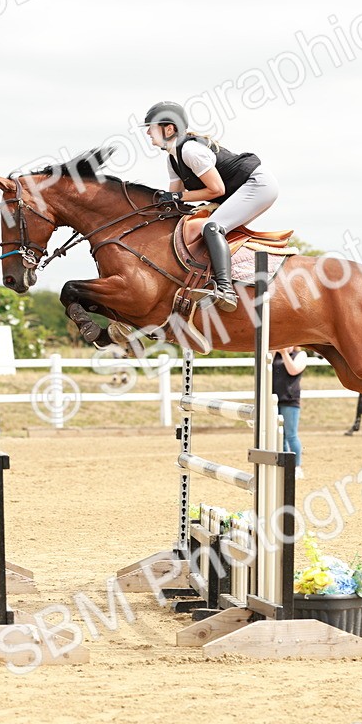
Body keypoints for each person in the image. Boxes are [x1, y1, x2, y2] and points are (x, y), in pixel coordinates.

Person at [142, 100, 280, 312]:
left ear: (169, 128)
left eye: (151, 127)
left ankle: (226, 289)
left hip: (257, 184)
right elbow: (175, 201)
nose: (148, 133)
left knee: (213, 227)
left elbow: (216, 190)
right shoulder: (172, 159)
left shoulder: (190, 151)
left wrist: (177, 196)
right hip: (237, 189)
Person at [272, 346, 308, 479]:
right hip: (274, 400)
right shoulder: (274, 355)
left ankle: (297, 466)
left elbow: (292, 370)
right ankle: (285, 466)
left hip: (290, 400)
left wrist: (284, 353)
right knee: (280, 437)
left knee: (291, 435)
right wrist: (275, 351)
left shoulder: (300, 355)